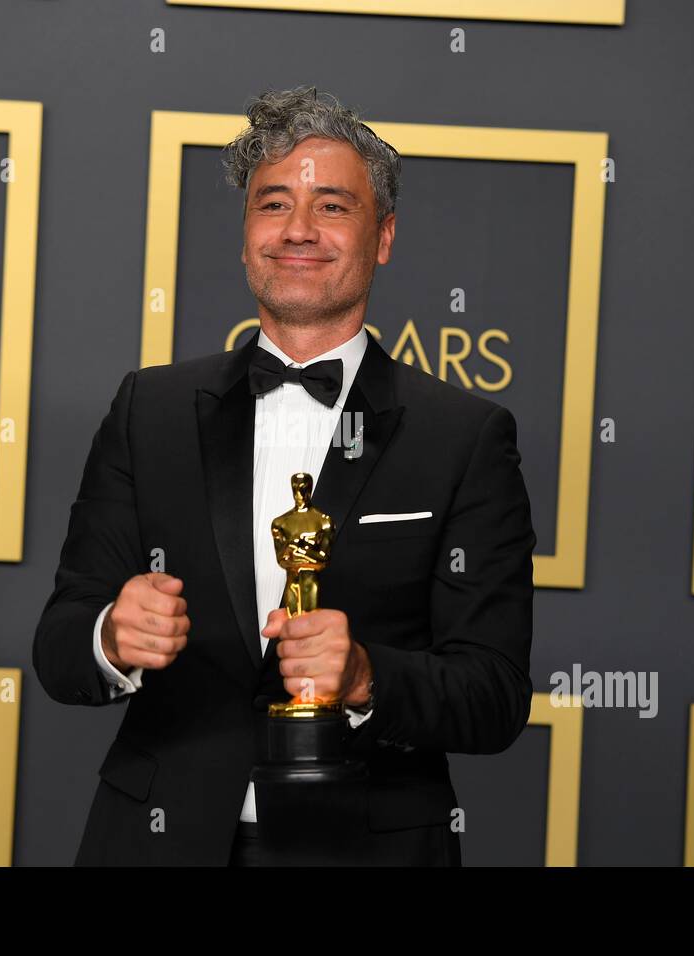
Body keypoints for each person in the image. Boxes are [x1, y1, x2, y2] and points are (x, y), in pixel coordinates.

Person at [32, 86, 536, 866]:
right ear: (244, 237)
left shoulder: (464, 438)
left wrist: (368, 676)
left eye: (332, 206)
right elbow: (60, 647)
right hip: (156, 840)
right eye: (273, 205)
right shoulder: (149, 410)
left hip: (369, 849)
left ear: (385, 236)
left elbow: (495, 696)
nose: (298, 229)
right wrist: (110, 635)